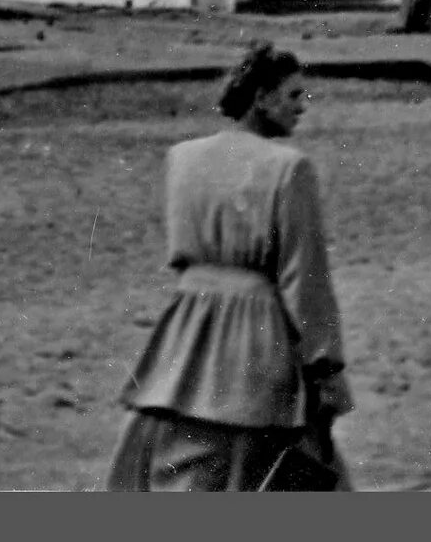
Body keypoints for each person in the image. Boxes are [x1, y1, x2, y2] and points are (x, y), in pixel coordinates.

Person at [107, 44, 353, 491]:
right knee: (268, 471)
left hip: (189, 329)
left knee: (181, 460)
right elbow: (304, 278)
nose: (303, 108)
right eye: (294, 95)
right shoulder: (290, 169)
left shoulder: (183, 157)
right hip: (257, 338)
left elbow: (180, 247)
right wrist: (327, 368)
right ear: (261, 97)